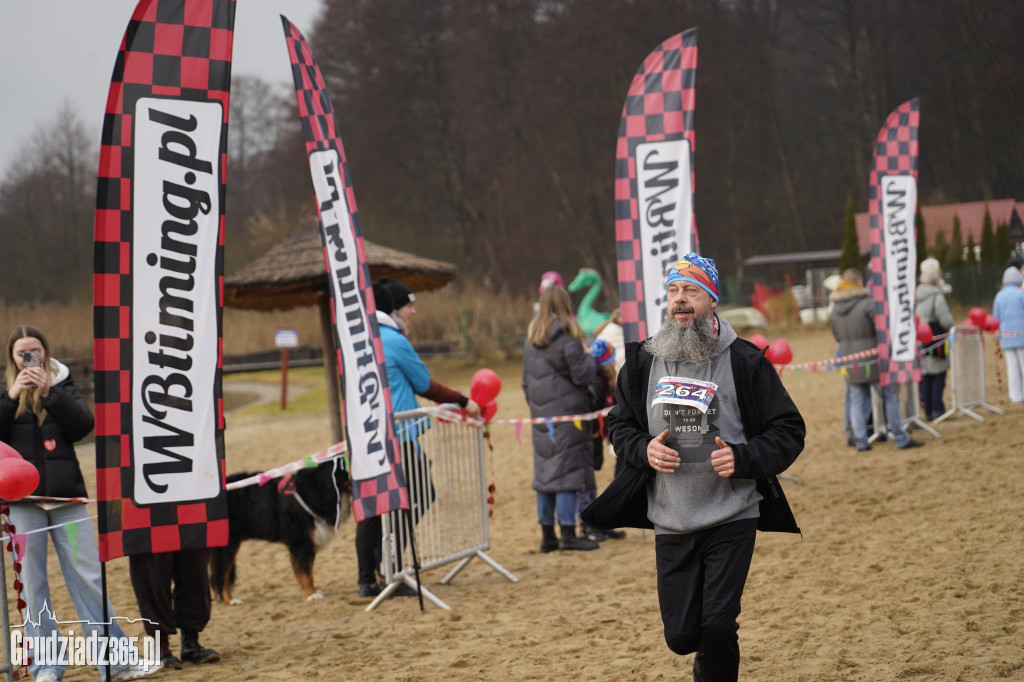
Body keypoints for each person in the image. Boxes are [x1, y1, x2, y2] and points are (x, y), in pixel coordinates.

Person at [604, 254, 804, 681]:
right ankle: (704, 655)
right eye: (674, 291)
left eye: (691, 291)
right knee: (681, 636)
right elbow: (618, 425)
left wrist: (743, 457)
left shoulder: (745, 361)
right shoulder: (642, 362)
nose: (680, 300)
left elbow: (788, 429)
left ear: (712, 299)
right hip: (671, 517)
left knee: (718, 625)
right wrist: (643, 451)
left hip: (732, 513)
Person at [1, 325, 155, 682]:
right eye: (21, 353)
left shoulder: (63, 385)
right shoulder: (4, 391)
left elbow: (83, 427)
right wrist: (11, 397)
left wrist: (49, 392)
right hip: (22, 506)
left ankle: (115, 662)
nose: (28, 358)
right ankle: (46, 667)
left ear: (45, 350)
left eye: (34, 351)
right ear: (11, 356)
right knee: (33, 585)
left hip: (67, 501)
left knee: (88, 577)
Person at [355, 278, 481, 598]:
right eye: (409, 305)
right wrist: (464, 401)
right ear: (393, 310)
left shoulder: (363, 339)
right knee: (419, 493)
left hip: (366, 435)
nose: (414, 312)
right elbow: (424, 383)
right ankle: (390, 565)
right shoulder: (394, 341)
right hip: (397, 435)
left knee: (372, 505)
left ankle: (366, 579)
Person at [522, 285, 600, 552]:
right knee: (568, 473)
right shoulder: (568, 338)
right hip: (569, 415)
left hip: (541, 416)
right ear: (566, 306)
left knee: (544, 474)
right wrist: (593, 360)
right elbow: (582, 375)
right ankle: (568, 533)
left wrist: (537, 408)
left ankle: (548, 536)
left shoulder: (530, 340)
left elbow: (525, 382)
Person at [829, 267, 924, 451]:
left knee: (857, 400)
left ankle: (861, 442)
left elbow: (837, 336)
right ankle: (900, 438)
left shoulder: (834, 310)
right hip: (873, 359)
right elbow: (881, 330)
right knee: (888, 397)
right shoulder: (868, 303)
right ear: (858, 282)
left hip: (851, 360)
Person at [577, 339, 625, 543]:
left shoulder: (609, 381)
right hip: (590, 437)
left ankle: (601, 523)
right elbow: (592, 410)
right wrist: (596, 430)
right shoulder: (596, 382)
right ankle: (588, 525)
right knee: (587, 481)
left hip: (604, 437)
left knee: (598, 481)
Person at [915, 258, 955, 420]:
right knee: (938, 375)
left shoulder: (915, 295)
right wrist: (953, 327)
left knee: (926, 377)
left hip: (920, 341)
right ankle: (938, 410)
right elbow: (946, 320)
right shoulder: (936, 296)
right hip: (936, 341)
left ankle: (929, 411)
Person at [993, 265, 1024, 405]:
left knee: (1012, 367)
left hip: (1006, 337)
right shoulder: (1021, 294)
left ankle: (1015, 396)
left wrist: (998, 334)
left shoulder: (999, 296)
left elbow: (996, 318)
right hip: (1022, 336)